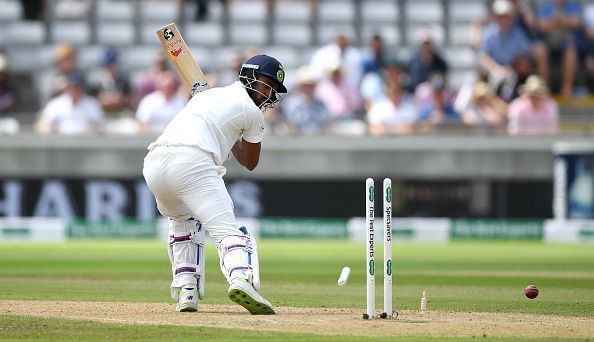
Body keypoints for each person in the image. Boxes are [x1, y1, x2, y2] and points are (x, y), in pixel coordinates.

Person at [142, 55, 287, 314]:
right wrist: (235, 133)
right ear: (249, 76)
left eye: (274, 90)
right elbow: (250, 162)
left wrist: (229, 132)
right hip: (192, 161)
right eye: (267, 85)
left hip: (154, 164)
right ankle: (241, 279)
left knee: (182, 225)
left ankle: (187, 291)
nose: (269, 94)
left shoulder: (206, 96)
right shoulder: (252, 113)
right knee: (227, 231)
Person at [36, 72, 103, 135]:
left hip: (87, 142)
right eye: (71, 87)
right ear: (66, 88)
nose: (74, 90)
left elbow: (99, 124)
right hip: (61, 142)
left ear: (82, 88)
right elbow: (44, 124)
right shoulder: (55, 104)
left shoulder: (91, 103)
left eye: (76, 87)